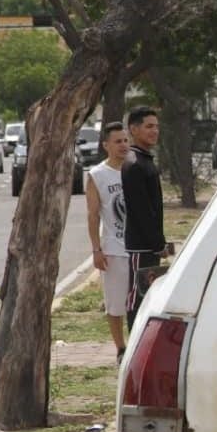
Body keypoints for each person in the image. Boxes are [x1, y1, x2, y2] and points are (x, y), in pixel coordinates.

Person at [85, 122, 130, 364]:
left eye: (125, 140)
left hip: (139, 248)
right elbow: (92, 215)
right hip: (113, 248)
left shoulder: (136, 167)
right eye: (117, 141)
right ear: (106, 145)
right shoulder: (97, 175)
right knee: (115, 303)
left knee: (141, 300)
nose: (123, 145)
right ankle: (121, 347)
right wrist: (96, 249)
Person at [121, 107, 167, 331]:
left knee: (149, 295)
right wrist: (157, 243)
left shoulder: (145, 159)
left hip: (150, 246)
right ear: (134, 129)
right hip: (140, 246)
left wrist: (159, 242)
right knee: (137, 296)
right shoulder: (134, 164)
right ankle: (132, 345)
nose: (154, 131)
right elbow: (141, 211)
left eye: (157, 126)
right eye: (149, 126)